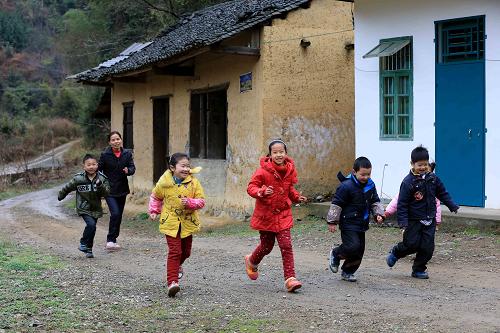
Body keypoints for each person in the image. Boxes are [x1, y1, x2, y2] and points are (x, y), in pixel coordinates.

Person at [386, 146, 459, 279]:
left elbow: (442, 193)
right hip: (413, 220)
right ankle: (396, 252)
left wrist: (452, 205)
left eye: (425, 164)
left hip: (429, 219)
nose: (423, 167)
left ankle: (418, 269)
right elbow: (402, 204)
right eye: (419, 165)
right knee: (411, 244)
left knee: (427, 248)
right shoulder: (408, 182)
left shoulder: (433, 179)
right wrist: (403, 223)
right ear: (412, 164)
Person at [244, 139, 307, 292]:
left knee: (286, 246)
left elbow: (289, 189)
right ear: (270, 154)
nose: (279, 155)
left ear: (286, 153)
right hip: (266, 215)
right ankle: (252, 260)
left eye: (281, 152)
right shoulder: (262, 171)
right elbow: (251, 187)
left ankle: (290, 279)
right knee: (267, 246)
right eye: (275, 152)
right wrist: (262, 192)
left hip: (283, 214)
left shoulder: (289, 170)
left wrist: (296, 197)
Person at [148, 153, 205, 297]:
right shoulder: (164, 183)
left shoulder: (193, 183)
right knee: (175, 251)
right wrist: (154, 210)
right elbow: (156, 197)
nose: (186, 169)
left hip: (187, 222)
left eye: (188, 166)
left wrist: (191, 203)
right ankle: (172, 282)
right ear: (172, 167)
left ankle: (177, 266)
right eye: (183, 166)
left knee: (186, 252)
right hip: (170, 221)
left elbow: (201, 201)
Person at [326, 157, 384, 282]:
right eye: (362, 174)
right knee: (352, 246)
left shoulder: (370, 185)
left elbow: (375, 201)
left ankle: (348, 271)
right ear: (354, 172)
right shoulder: (346, 186)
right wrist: (332, 221)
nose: (366, 177)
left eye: (368, 174)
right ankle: (336, 253)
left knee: (359, 250)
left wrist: (378, 214)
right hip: (348, 222)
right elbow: (337, 204)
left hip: (362, 223)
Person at [58, 154, 110, 258]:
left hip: (96, 208)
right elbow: (67, 187)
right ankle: (83, 243)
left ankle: (89, 249)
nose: (91, 167)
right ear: (84, 166)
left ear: (97, 165)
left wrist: (100, 186)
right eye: (89, 164)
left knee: (92, 228)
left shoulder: (102, 179)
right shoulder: (78, 179)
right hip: (83, 207)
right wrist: (61, 195)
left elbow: (107, 193)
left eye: (94, 164)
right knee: (91, 225)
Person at [98, 131, 135, 251]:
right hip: (109, 190)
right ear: (109, 142)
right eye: (113, 140)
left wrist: (128, 170)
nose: (116, 141)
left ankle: (114, 239)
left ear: (121, 140)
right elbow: (99, 169)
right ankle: (110, 240)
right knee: (115, 213)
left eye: (118, 139)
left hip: (122, 189)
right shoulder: (105, 155)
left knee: (118, 216)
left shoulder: (127, 154)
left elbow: (132, 168)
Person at [384, 162, 442, 230]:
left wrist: (437, 222)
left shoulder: (432, 190)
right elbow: (398, 200)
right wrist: (387, 212)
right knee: (410, 239)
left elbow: (437, 206)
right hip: (411, 221)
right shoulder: (409, 185)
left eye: (426, 173)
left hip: (427, 222)